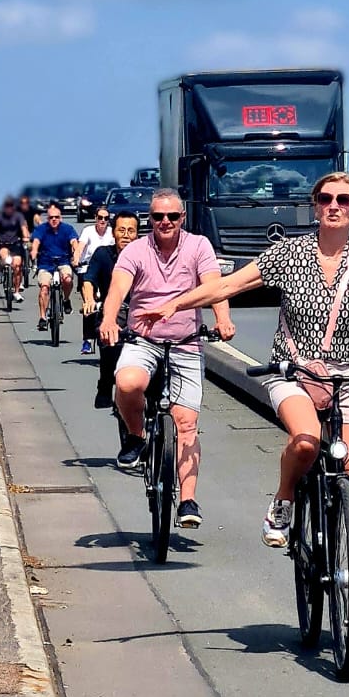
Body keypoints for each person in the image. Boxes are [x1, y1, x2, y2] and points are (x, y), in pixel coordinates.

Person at [145, 169, 349, 623]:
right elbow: (229, 285)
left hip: (348, 376)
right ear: (315, 206)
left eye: (344, 200)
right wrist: (177, 303)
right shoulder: (290, 254)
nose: (334, 206)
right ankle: (285, 501)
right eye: (326, 198)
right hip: (291, 371)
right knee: (307, 439)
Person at [99, 188, 233, 532]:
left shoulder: (199, 246)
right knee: (127, 382)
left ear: (182, 218)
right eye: (158, 216)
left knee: (186, 422)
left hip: (186, 343)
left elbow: (214, 286)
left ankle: (187, 500)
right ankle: (136, 436)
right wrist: (109, 319)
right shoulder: (136, 250)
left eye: (172, 216)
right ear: (150, 219)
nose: (165, 222)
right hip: (144, 339)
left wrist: (222, 318)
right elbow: (117, 289)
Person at [84, 213, 141, 451]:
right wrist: (89, 299)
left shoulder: (147, 255)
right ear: (113, 232)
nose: (126, 235)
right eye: (121, 230)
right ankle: (106, 383)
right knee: (110, 339)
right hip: (113, 312)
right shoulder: (102, 255)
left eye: (131, 230)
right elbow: (89, 281)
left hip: (142, 313)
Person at [30, 202, 79, 331]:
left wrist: (76, 254)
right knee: (45, 288)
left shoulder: (67, 229)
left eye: (56, 217)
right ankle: (42, 318)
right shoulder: (42, 229)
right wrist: (34, 252)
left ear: (60, 218)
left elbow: (74, 242)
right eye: (51, 217)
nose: (54, 220)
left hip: (63, 262)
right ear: (48, 219)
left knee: (67, 279)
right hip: (46, 264)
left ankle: (66, 299)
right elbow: (36, 242)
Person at [76, 206, 116, 354]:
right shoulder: (88, 231)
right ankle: (87, 340)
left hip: (105, 270)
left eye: (106, 218)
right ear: (95, 218)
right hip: (88, 268)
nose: (103, 221)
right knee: (89, 303)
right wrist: (76, 259)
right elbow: (80, 248)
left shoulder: (112, 233)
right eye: (100, 218)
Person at [0, 196, 29, 301]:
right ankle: (1, 271)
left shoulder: (18, 216)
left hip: (15, 244)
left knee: (18, 265)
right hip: (3, 243)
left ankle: (16, 292)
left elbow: (23, 227)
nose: (9, 208)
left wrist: (25, 236)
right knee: (4, 257)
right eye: (7, 206)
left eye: (11, 206)